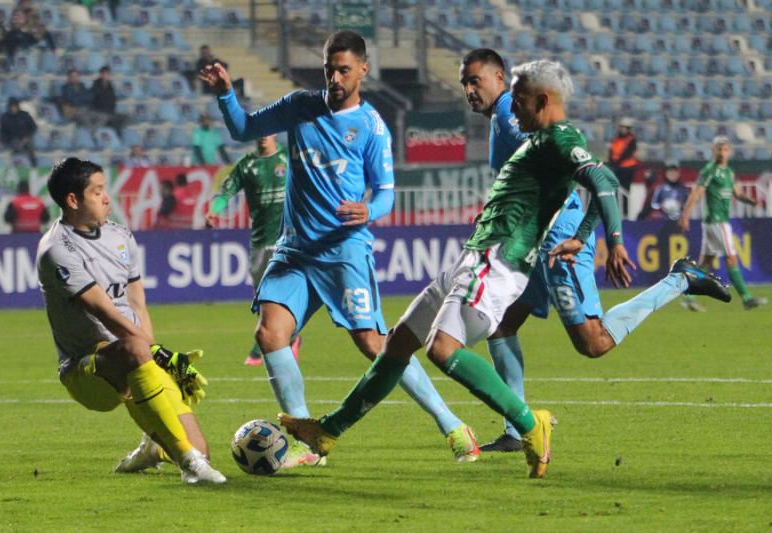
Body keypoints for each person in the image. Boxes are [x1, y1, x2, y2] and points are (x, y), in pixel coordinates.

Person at [276, 59, 723, 479]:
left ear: (543, 100)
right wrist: (584, 232)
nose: (513, 106)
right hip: (476, 256)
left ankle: (530, 424)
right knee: (398, 345)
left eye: (520, 98)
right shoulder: (544, 141)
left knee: (443, 350)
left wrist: (614, 240)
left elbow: (604, 181)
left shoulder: (560, 139)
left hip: (500, 260)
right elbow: (592, 183)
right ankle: (327, 432)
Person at [200, 30, 480, 467]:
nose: (333, 77)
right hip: (294, 250)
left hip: (344, 251)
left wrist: (368, 211)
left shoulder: (371, 127)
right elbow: (243, 129)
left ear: (363, 70)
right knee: (270, 334)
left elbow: (386, 191)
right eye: (328, 68)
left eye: (343, 69)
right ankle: (302, 437)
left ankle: (452, 425)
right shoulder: (299, 106)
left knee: (374, 344)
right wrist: (225, 95)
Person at [459, 49, 731, 454]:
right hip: (534, 236)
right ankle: (518, 430)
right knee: (502, 324)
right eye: (464, 82)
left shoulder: (508, 117)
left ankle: (680, 279)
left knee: (593, 342)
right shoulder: (507, 118)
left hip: (556, 237)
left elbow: (595, 176)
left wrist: (595, 235)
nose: (467, 90)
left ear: (501, 78)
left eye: (475, 80)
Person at [36, 157, 226, 484]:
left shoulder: (121, 236)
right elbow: (105, 312)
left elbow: (136, 301)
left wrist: (152, 356)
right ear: (72, 200)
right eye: (97, 192)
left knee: (203, 448)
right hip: (86, 370)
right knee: (133, 352)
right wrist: (158, 353)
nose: (107, 198)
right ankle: (190, 465)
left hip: (133, 350)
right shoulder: (57, 250)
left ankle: (157, 450)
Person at [205, 133, 302, 366]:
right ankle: (290, 338)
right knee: (261, 298)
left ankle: (271, 345)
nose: (262, 136)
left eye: (267, 131)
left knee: (285, 294)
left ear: (275, 133)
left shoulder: (289, 158)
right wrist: (215, 210)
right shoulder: (247, 165)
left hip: (289, 239)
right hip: (260, 241)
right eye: (260, 131)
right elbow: (227, 191)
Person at [679, 136, 767, 310]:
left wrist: (752, 201)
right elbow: (696, 193)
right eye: (719, 149)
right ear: (713, 150)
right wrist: (685, 216)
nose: (722, 152)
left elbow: (738, 193)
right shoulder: (709, 170)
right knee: (731, 258)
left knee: (705, 262)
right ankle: (747, 298)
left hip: (716, 223)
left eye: (725, 149)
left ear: (729, 152)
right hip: (717, 222)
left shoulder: (729, 173)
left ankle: (688, 298)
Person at [0, 97, 37, 166]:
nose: (13, 108)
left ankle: (34, 167)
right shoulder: (4, 117)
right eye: (11, 106)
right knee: (16, 146)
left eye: (15, 106)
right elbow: (2, 133)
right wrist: (9, 140)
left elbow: (33, 127)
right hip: (11, 141)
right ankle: (17, 166)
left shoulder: (25, 115)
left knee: (30, 148)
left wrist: (27, 137)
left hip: (26, 139)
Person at [90, 66, 127, 133]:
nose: (107, 76)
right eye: (105, 74)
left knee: (122, 121)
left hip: (110, 113)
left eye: (108, 74)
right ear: (101, 74)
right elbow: (93, 103)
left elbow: (113, 100)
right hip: (100, 114)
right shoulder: (95, 86)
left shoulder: (111, 86)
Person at [608, 117, 639, 192]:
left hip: (627, 167)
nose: (622, 129)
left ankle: (624, 203)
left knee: (624, 189)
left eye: (624, 128)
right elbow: (611, 151)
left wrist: (616, 162)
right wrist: (612, 161)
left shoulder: (631, 140)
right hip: (617, 166)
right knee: (615, 188)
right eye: (621, 127)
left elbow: (627, 153)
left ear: (628, 129)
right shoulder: (616, 139)